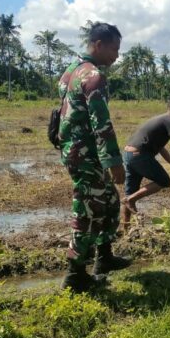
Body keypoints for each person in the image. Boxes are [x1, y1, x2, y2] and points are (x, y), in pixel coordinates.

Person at [57, 22, 131, 292]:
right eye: (114, 49)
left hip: (75, 151)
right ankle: (75, 274)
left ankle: (105, 258)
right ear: (98, 45)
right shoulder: (94, 77)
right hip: (87, 155)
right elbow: (101, 124)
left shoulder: (70, 72)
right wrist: (114, 162)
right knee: (86, 210)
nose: (116, 55)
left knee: (109, 201)